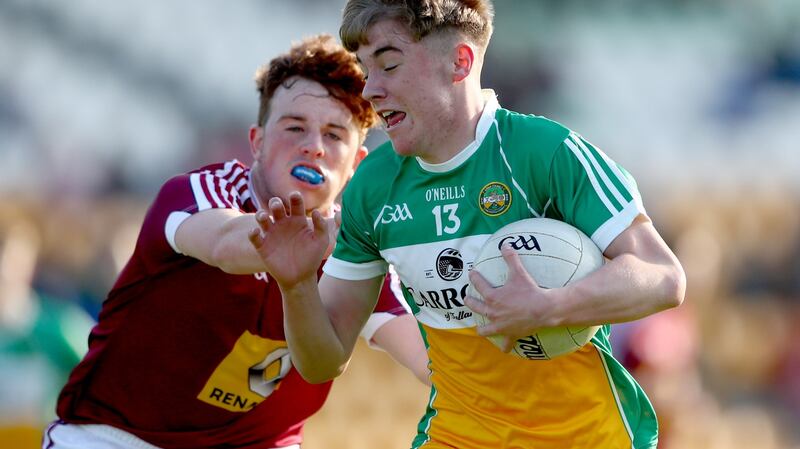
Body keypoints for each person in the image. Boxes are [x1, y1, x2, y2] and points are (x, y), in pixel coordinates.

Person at [248, 2, 687, 449]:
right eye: (366, 69)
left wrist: (552, 306)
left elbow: (663, 276)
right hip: (455, 437)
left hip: (589, 438)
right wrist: (297, 284)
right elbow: (322, 362)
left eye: (389, 64)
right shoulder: (373, 188)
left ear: (460, 61)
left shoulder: (547, 153)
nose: (371, 90)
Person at [44, 34, 430, 449]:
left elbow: (432, 361)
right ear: (257, 142)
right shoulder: (200, 192)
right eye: (294, 127)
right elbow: (225, 242)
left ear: (356, 163)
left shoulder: (356, 248)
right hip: (116, 437)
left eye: (335, 135)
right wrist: (284, 246)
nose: (313, 147)